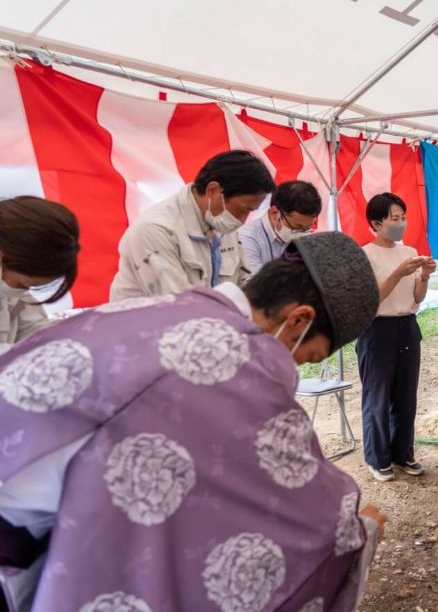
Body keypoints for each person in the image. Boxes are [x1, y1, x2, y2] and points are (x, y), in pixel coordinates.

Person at [0, 232, 387, 611]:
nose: (295, 369)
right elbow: (301, 509)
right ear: (299, 319)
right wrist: (359, 533)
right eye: (307, 357)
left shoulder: (162, 309)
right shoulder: (239, 361)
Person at [110, 150, 275, 300]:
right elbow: (177, 305)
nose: (242, 220)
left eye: (250, 212)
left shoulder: (222, 222)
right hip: (151, 328)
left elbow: (242, 279)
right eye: (241, 210)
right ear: (213, 191)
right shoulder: (156, 229)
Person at [357, 193, 436, 482]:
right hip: (377, 329)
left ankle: (403, 453)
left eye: (403, 217)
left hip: (407, 325)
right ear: (376, 223)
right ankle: (377, 458)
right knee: (377, 396)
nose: (401, 223)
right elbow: (370, 299)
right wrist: (397, 273)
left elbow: (417, 297)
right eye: (394, 218)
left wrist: (424, 276)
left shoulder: (409, 251)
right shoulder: (365, 255)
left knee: (406, 395)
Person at [0, 197, 79, 353]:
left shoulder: (16, 296)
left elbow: (33, 331)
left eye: (28, 287)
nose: (21, 291)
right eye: (20, 285)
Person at [239, 180, 322, 275]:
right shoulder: (246, 238)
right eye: (296, 227)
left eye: (307, 228)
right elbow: (256, 284)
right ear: (274, 213)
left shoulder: (308, 239)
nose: (301, 233)